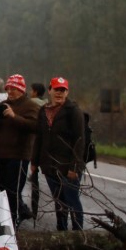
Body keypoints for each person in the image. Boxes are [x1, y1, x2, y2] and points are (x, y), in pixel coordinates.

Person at [31, 77, 85, 231]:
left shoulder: (73, 111)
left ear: (67, 92)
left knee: (72, 201)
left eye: (63, 90)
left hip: (68, 167)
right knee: (59, 202)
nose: (59, 93)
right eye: (56, 90)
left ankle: (78, 236)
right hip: (49, 166)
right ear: (50, 91)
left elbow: (79, 141)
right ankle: (61, 233)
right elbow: (39, 137)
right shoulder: (43, 111)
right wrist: (34, 162)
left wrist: (74, 167)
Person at [0, 74, 39, 228]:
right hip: (2, 152)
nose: (10, 91)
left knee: (14, 189)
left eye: (14, 89)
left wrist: (13, 116)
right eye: (8, 88)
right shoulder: (4, 104)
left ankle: (14, 220)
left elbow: (34, 127)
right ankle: (19, 211)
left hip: (19, 154)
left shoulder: (31, 106)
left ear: (22, 90)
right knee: (2, 185)